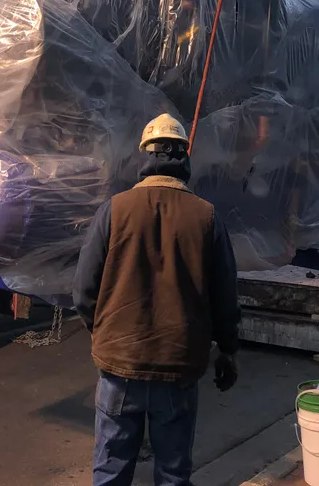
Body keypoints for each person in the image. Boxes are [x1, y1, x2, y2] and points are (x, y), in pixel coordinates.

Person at [73, 113, 241, 486]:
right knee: (173, 474)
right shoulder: (207, 217)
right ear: (184, 157)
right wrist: (227, 350)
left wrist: (102, 331)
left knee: (111, 472)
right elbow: (225, 297)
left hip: (120, 368)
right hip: (177, 367)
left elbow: (84, 290)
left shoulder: (114, 210)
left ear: (144, 157)